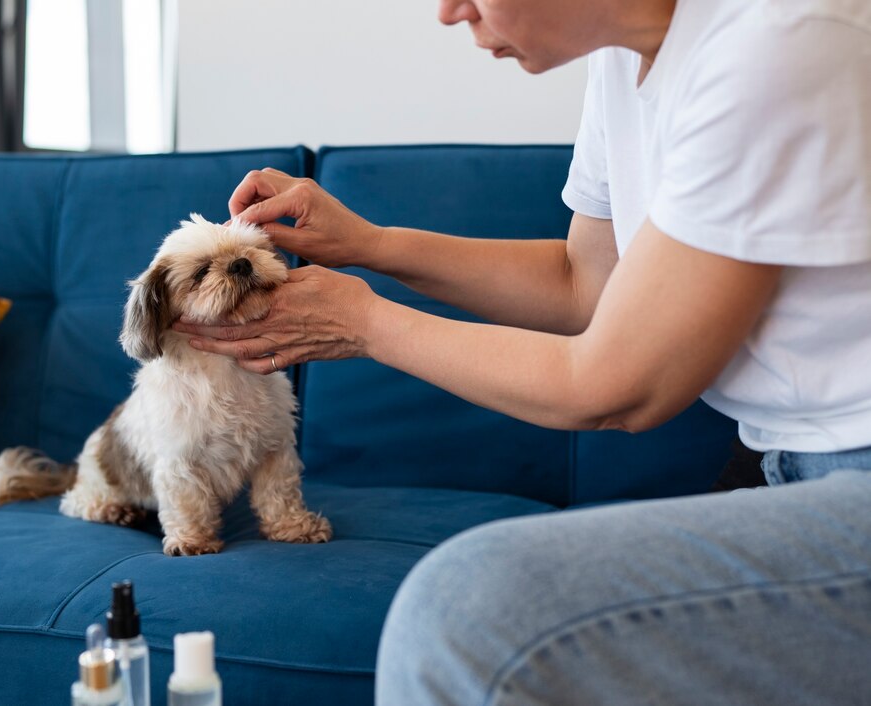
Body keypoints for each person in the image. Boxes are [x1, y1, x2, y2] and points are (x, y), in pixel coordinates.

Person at [173, 0, 871, 702]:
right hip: (781, 463)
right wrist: (370, 246)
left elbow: (618, 387)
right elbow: (585, 283)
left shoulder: (778, 41)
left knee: (472, 607)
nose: (450, 12)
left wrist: (367, 325)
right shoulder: (624, 61)